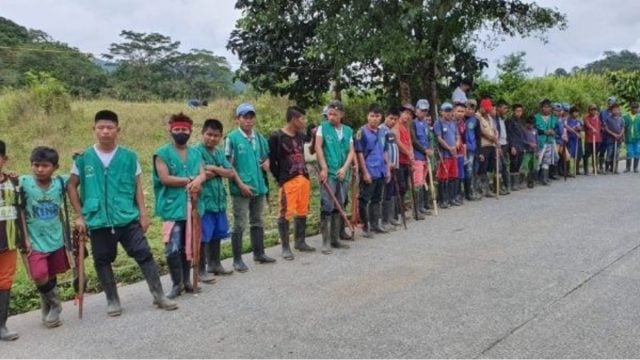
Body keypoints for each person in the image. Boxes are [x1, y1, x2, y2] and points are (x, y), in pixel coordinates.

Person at [68, 110, 177, 316]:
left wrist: (143, 214)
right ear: (94, 130)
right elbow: (72, 185)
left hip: (126, 217)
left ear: (118, 130)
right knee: (102, 260)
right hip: (98, 219)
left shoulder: (129, 156)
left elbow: (137, 186)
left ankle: (159, 295)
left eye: (110, 128)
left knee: (144, 254)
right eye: (101, 128)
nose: (105, 132)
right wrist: (79, 215)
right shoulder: (83, 158)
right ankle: (112, 300)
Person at [153, 113, 209, 298]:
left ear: (190, 131)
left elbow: (203, 173)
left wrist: (199, 180)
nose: (181, 133)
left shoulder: (196, 153)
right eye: (177, 129)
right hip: (172, 207)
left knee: (190, 245)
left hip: (193, 206)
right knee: (172, 247)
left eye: (184, 130)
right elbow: (165, 178)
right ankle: (176, 283)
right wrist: (190, 180)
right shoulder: (161, 154)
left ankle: (186, 281)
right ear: (170, 130)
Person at [20, 147, 70, 328]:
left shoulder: (60, 182)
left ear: (55, 167)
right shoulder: (23, 183)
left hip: (55, 238)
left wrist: (80, 159)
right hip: (33, 240)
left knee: (51, 273)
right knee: (39, 274)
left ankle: (47, 310)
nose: (39, 169)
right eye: (36, 165)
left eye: (45, 166)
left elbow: (76, 178)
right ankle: (56, 304)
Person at [225, 103, 276, 268]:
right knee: (240, 222)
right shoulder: (232, 138)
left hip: (258, 186)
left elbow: (264, 156)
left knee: (257, 220)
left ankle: (259, 253)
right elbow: (229, 164)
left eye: (250, 117)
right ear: (238, 119)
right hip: (241, 188)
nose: (248, 120)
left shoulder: (258, 137)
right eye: (244, 117)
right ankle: (237, 260)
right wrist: (240, 185)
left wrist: (266, 162)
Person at [268, 106, 316, 260]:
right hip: (288, 179)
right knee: (285, 212)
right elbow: (273, 161)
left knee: (302, 210)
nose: (304, 121)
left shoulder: (301, 136)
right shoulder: (277, 137)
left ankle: (300, 241)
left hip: (304, 177)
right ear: (294, 120)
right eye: (302, 118)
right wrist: (280, 179)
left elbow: (310, 151)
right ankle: (285, 246)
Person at [195, 119, 234, 276]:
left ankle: (215, 264)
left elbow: (230, 172)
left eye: (216, 135)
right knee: (203, 235)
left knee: (218, 233)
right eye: (209, 134)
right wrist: (218, 171)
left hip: (219, 200)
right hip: (204, 201)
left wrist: (213, 168)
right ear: (203, 133)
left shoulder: (218, 152)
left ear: (220, 136)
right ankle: (201, 269)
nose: (212, 138)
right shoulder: (196, 152)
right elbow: (202, 174)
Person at [315, 100, 355, 254]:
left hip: (343, 172)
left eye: (335, 114)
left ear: (342, 115)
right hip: (329, 172)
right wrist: (323, 168)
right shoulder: (322, 128)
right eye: (329, 114)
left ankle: (335, 239)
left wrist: (345, 168)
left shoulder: (348, 130)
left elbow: (351, 151)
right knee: (327, 204)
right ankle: (325, 242)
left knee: (340, 203)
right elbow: (318, 146)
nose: (331, 117)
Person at [355, 104, 389, 238]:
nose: (374, 119)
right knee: (364, 199)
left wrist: (387, 170)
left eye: (377, 116)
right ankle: (365, 226)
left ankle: (376, 224)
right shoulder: (361, 132)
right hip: (369, 170)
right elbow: (359, 153)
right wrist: (365, 172)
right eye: (372, 116)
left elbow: (385, 150)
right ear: (367, 116)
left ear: (381, 117)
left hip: (380, 170)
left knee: (376, 198)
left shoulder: (382, 132)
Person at [0, 140, 20, 341]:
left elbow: (20, 210)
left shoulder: (13, 183)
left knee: (4, 283)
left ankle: (2, 326)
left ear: (4, 159)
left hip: (9, 241)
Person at [434, 102, 460, 208]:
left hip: (453, 154)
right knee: (443, 177)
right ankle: (443, 200)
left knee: (454, 176)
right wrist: (449, 148)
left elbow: (457, 135)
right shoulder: (438, 123)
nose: (448, 113)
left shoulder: (453, 123)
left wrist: (456, 145)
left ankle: (452, 198)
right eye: (446, 111)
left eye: (450, 111)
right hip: (444, 154)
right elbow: (439, 138)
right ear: (441, 112)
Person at [409, 100, 432, 218]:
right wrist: (424, 150)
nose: (423, 113)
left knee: (423, 182)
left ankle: (422, 206)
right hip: (417, 156)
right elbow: (414, 141)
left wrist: (430, 149)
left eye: (425, 111)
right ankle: (416, 209)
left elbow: (429, 139)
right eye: (421, 110)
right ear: (416, 110)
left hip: (425, 157)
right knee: (417, 182)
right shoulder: (412, 123)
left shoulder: (426, 124)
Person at [379, 107, 401, 230]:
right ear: (385, 116)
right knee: (386, 193)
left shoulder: (391, 131)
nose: (393, 121)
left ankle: (391, 217)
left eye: (395, 119)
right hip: (386, 167)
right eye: (391, 118)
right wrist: (387, 164)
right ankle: (384, 220)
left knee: (392, 192)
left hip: (394, 166)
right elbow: (383, 150)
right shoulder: (382, 130)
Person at [394, 105, 417, 219]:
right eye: (406, 113)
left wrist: (411, 155)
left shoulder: (407, 127)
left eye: (410, 114)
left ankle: (401, 210)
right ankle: (397, 212)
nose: (407, 116)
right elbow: (398, 142)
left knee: (405, 187)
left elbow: (410, 143)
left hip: (407, 160)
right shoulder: (396, 126)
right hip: (399, 161)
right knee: (400, 186)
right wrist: (408, 152)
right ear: (401, 113)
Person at [534, 99, 559, 185]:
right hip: (540, 142)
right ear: (541, 108)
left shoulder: (554, 118)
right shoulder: (536, 117)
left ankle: (544, 178)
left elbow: (557, 128)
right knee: (538, 160)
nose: (547, 109)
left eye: (548, 107)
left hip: (549, 142)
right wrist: (544, 132)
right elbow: (535, 129)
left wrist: (553, 132)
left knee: (547, 161)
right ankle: (535, 178)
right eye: (545, 107)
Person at [477, 99, 498, 197]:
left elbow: (494, 129)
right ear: (481, 108)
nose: (487, 111)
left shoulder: (490, 117)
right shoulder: (478, 117)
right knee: (483, 167)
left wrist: (495, 138)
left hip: (492, 145)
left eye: (488, 109)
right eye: (485, 109)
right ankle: (481, 189)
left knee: (491, 167)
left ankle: (488, 188)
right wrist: (491, 137)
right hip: (483, 145)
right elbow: (481, 131)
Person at [506, 104, 527, 191]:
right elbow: (509, 135)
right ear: (513, 111)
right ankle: (512, 184)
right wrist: (512, 146)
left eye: (520, 111)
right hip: (514, 145)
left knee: (518, 164)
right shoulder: (509, 121)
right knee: (513, 164)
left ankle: (516, 183)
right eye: (517, 111)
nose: (519, 113)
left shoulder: (521, 122)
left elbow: (522, 135)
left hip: (521, 145)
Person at [464, 100, 482, 200]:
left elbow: (478, 136)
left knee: (472, 170)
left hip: (473, 149)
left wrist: (479, 151)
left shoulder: (475, 120)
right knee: (466, 171)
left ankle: (471, 191)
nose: (469, 110)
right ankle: (467, 193)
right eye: (467, 108)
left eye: (472, 109)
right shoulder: (461, 119)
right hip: (463, 149)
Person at [603, 103, 625, 174]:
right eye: (614, 110)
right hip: (610, 139)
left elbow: (623, 128)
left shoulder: (621, 119)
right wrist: (613, 134)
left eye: (617, 110)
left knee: (616, 154)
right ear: (611, 111)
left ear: (619, 110)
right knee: (609, 153)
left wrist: (620, 134)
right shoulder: (608, 119)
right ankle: (606, 169)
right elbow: (606, 128)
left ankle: (614, 168)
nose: (615, 111)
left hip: (619, 139)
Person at [495, 101, 511, 194]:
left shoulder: (503, 119)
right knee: (499, 167)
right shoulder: (495, 119)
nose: (506, 110)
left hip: (505, 144)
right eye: (504, 108)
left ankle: (506, 185)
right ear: (498, 108)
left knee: (505, 166)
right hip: (499, 145)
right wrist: (498, 145)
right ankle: (498, 187)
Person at [583, 104, 601, 175]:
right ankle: (585, 169)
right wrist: (591, 128)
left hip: (597, 139)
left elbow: (600, 125)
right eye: (592, 109)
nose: (593, 111)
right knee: (587, 154)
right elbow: (587, 124)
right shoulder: (586, 117)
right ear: (589, 110)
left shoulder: (598, 117)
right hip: (589, 139)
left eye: (595, 109)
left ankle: (595, 168)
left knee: (595, 154)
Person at [565, 106, 583, 176]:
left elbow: (582, 128)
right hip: (571, 139)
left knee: (578, 154)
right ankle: (569, 170)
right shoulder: (568, 120)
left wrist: (579, 128)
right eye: (574, 112)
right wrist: (574, 128)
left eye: (577, 112)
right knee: (570, 155)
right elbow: (566, 128)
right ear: (571, 113)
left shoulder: (579, 120)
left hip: (578, 139)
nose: (576, 114)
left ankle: (577, 169)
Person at [623, 102, 640, 173]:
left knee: (638, 152)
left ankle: (635, 168)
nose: (635, 109)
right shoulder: (625, 117)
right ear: (630, 108)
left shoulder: (639, 117)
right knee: (629, 152)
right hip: (629, 138)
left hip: (638, 138)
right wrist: (623, 136)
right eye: (633, 108)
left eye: (636, 108)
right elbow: (623, 127)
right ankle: (627, 168)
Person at [522, 117, 538, 188]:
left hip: (533, 151)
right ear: (527, 124)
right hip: (526, 151)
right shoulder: (524, 131)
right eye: (530, 124)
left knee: (533, 166)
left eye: (532, 124)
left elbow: (536, 141)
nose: (531, 126)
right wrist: (529, 144)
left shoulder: (535, 131)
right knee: (525, 166)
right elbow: (522, 140)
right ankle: (522, 180)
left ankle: (530, 181)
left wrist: (537, 151)